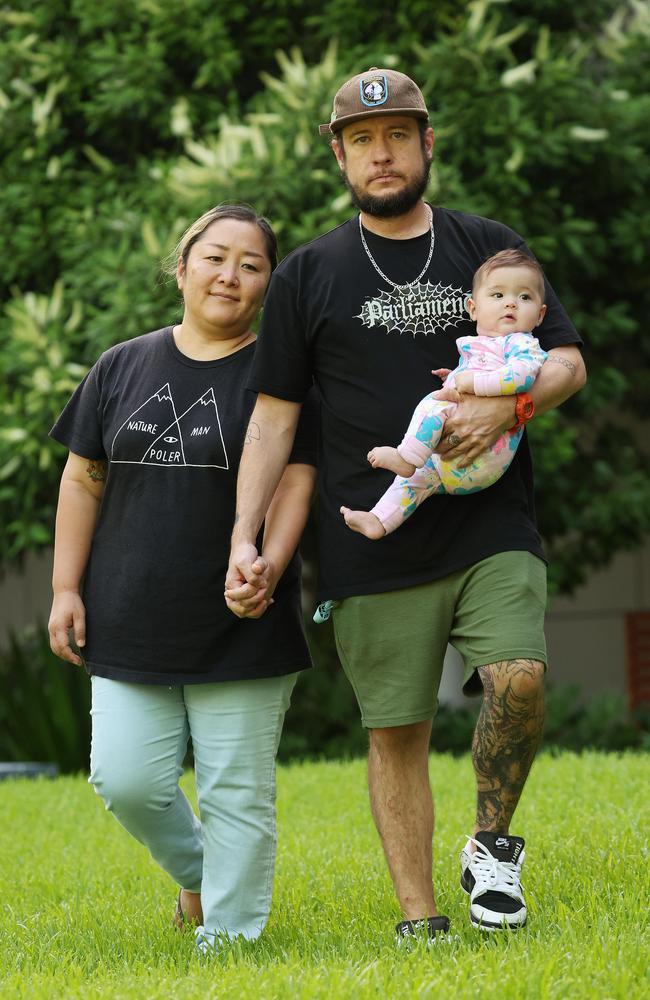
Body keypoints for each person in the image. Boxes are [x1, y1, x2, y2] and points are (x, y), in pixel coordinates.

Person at [226, 68, 586, 938]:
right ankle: (421, 920)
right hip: (370, 530)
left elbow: (568, 361)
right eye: (361, 141)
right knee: (397, 729)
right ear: (341, 156)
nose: (379, 155)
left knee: (519, 679)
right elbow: (273, 420)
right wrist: (244, 535)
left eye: (396, 136)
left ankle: (491, 848)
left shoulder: (490, 248)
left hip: (488, 518)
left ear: (427, 142)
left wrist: (514, 405)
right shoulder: (308, 273)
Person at [48, 205, 317, 952]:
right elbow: (82, 479)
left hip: (242, 617)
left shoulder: (281, 377)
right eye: (215, 257)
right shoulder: (122, 364)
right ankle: (202, 873)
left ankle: (229, 941)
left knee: (237, 791)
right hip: (130, 610)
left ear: (267, 286)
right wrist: (66, 588)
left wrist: (269, 562)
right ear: (182, 267)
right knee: (123, 778)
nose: (230, 275)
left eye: (252, 265)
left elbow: (296, 482)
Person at [341, 249, 548, 539]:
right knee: (414, 483)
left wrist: (467, 382)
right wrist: (453, 376)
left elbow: (520, 376)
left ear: (540, 315)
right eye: (498, 296)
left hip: (485, 453)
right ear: (473, 309)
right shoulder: (484, 346)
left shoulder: (521, 343)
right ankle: (380, 520)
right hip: (455, 464)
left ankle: (406, 455)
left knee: (433, 405)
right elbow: (478, 376)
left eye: (524, 297)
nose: (511, 303)